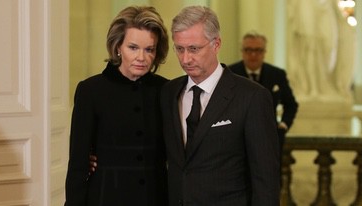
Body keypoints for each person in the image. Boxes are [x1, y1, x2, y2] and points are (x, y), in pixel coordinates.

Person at [160, 6, 280, 205]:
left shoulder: (252, 97)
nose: (185, 59)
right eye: (179, 49)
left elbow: (265, 179)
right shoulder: (168, 93)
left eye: (194, 49)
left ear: (216, 44)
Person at [64, 6, 169, 206]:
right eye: (133, 47)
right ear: (118, 46)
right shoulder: (91, 90)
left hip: (156, 197)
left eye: (149, 49)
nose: (141, 57)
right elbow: (78, 163)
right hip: (107, 197)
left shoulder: (166, 90)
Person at [229, 31, 299, 152]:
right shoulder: (229, 73)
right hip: (236, 140)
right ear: (242, 51)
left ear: (264, 52)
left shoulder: (277, 74)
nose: (253, 54)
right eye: (248, 50)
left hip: (270, 140)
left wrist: (283, 125)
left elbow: (291, 104)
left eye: (258, 50)